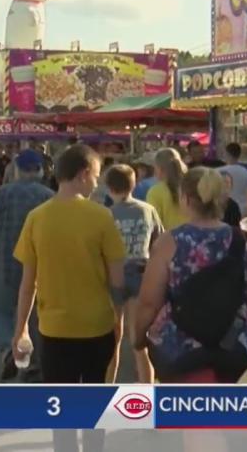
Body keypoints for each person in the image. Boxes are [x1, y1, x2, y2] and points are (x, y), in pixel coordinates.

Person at [133, 166, 247, 384]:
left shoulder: (169, 242)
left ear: (186, 198)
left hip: (178, 347)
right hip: (231, 345)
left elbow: (149, 302)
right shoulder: (240, 241)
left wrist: (139, 337)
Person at [12, 145, 124, 452]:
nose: (97, 184)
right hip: (97, 327)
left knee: (61, 410)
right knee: (94, 405)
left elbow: (27, 284)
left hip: (54, 330)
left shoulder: (37, 218)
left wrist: (20, 329)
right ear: (84, 174)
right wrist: (121, 319)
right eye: (96, 176)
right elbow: (118, 281)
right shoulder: (102, 217)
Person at [0, 149, 54, 381]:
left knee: (2, 311)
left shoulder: (3, 194)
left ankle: (10, 350)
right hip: (40, 269)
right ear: (40, 171)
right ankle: (34, 361)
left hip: (6, 265)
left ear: (17, 170)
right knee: (36, 315)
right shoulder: (49, 197)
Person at [103, 164, 163, 384]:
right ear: (134, 184)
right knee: (139, 340)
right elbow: (158, 242)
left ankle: (107, 386)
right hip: (141, 272)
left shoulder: (105, 214)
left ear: (109, 187)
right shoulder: (147, 210)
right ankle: (146, 388)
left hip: (113, 274)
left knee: (112, 339)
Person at [146, 147, 188, 230]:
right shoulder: (192, 187)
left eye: (155, 167)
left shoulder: (155, 192)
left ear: (160, 169)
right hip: (194, 239)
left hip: (168, 240)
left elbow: (153, 224)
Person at [218, 142, 247, 211]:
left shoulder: (218, 172)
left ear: (226, 154)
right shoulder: (246, 172)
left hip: (225, 209)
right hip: (242, 209)